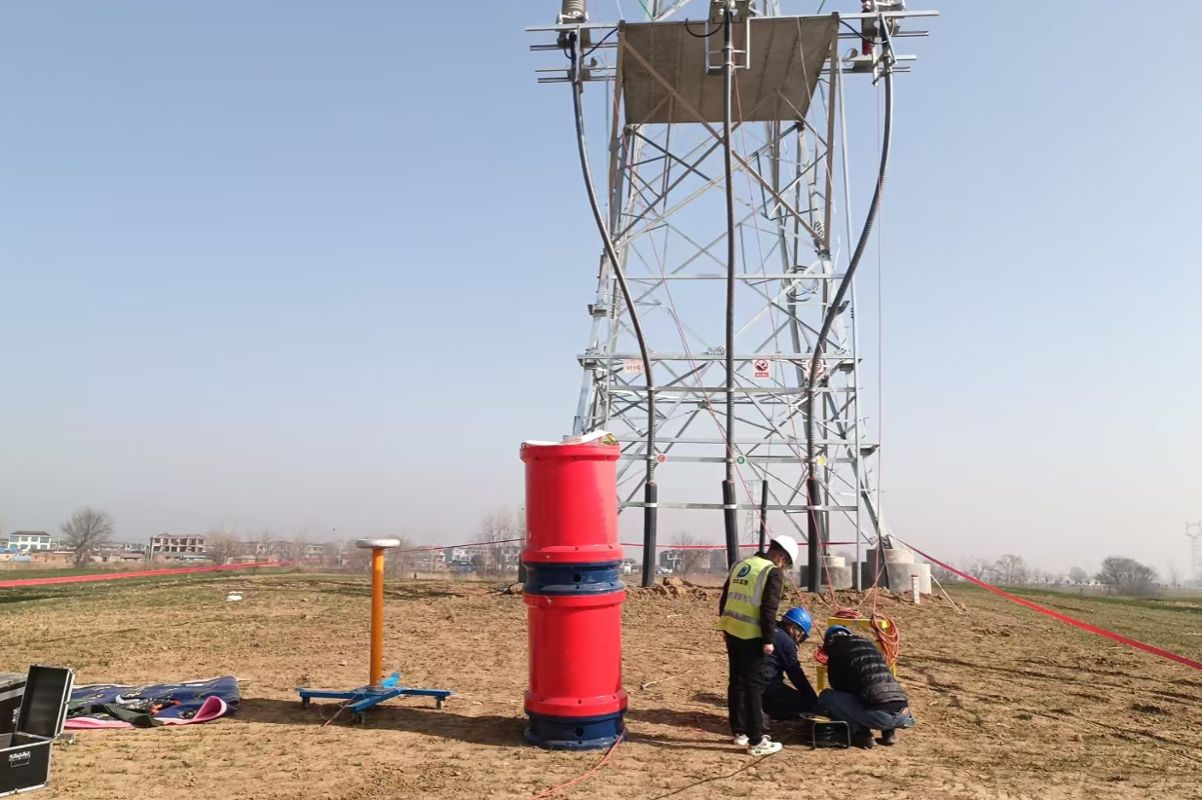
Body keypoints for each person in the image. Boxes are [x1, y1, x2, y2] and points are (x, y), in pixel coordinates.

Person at [717, 534, 799, 756]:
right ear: (781, 557)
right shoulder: (771, 572)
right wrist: (768, 640)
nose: (783, 567)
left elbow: (725, 598)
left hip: (732, 630)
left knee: (736, 682)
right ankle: (756, 740)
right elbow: (769, 609)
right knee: (754, 686)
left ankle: (740, 732)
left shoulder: (740, 565)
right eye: (786, 563)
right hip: (752, 636)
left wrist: (725, 627)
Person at [818, 625, 914, 748]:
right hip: (905, 715)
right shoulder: (868, 645)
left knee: (826, 696)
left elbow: (837, 686)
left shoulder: (837, 649)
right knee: (877, 690)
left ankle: (862, 735)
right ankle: (889, 734)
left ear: (829, 642)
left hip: (880, 717)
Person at [761, 606, 819, 721]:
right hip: (766, 689)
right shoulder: (786, 642)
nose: (798, 640)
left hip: (748, 686)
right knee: (803, 703)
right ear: (793, 628)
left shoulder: (769, 628)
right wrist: (813, 700)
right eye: (801, 636)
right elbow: (796, 675)